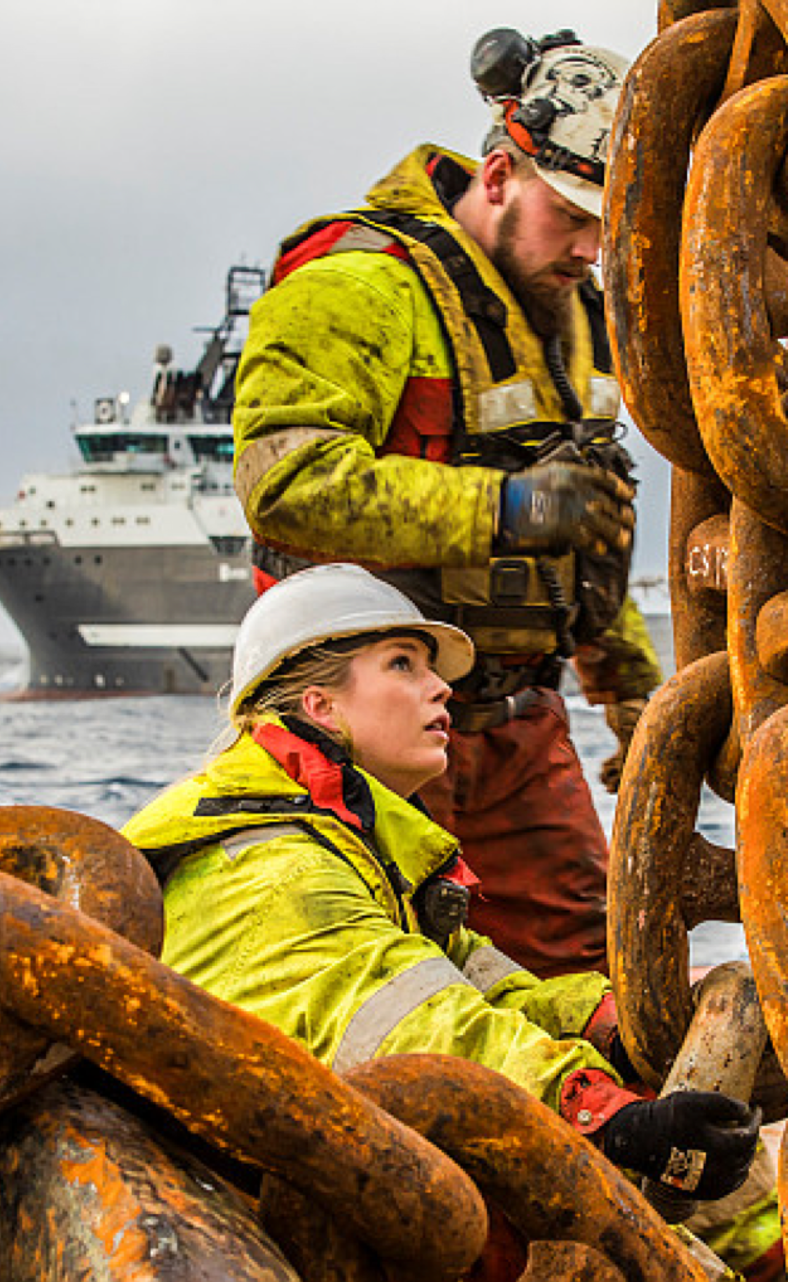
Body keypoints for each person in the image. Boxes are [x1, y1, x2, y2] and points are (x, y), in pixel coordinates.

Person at [123, 564, 757, 1276]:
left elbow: (489, 992)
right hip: (249, 1217)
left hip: (315, 1166)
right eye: (403, 664)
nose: (442, 688)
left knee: (731, 1201)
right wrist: (599, 1110)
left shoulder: (359, 845)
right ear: (319, 707)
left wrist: (613, 1021)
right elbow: (416, 1035)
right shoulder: (272, 867)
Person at [230, 28, 661, 984]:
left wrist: (633, 694)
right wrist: (505, 507)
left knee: (591, 979)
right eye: (573, 214)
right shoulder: (357, 283)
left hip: (516, 728)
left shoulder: (578, 315)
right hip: (352, 728)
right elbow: (283, 481)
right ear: (501, 174)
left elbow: (588, 528)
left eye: (608, 227)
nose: (590, 249)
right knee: (380, 986)